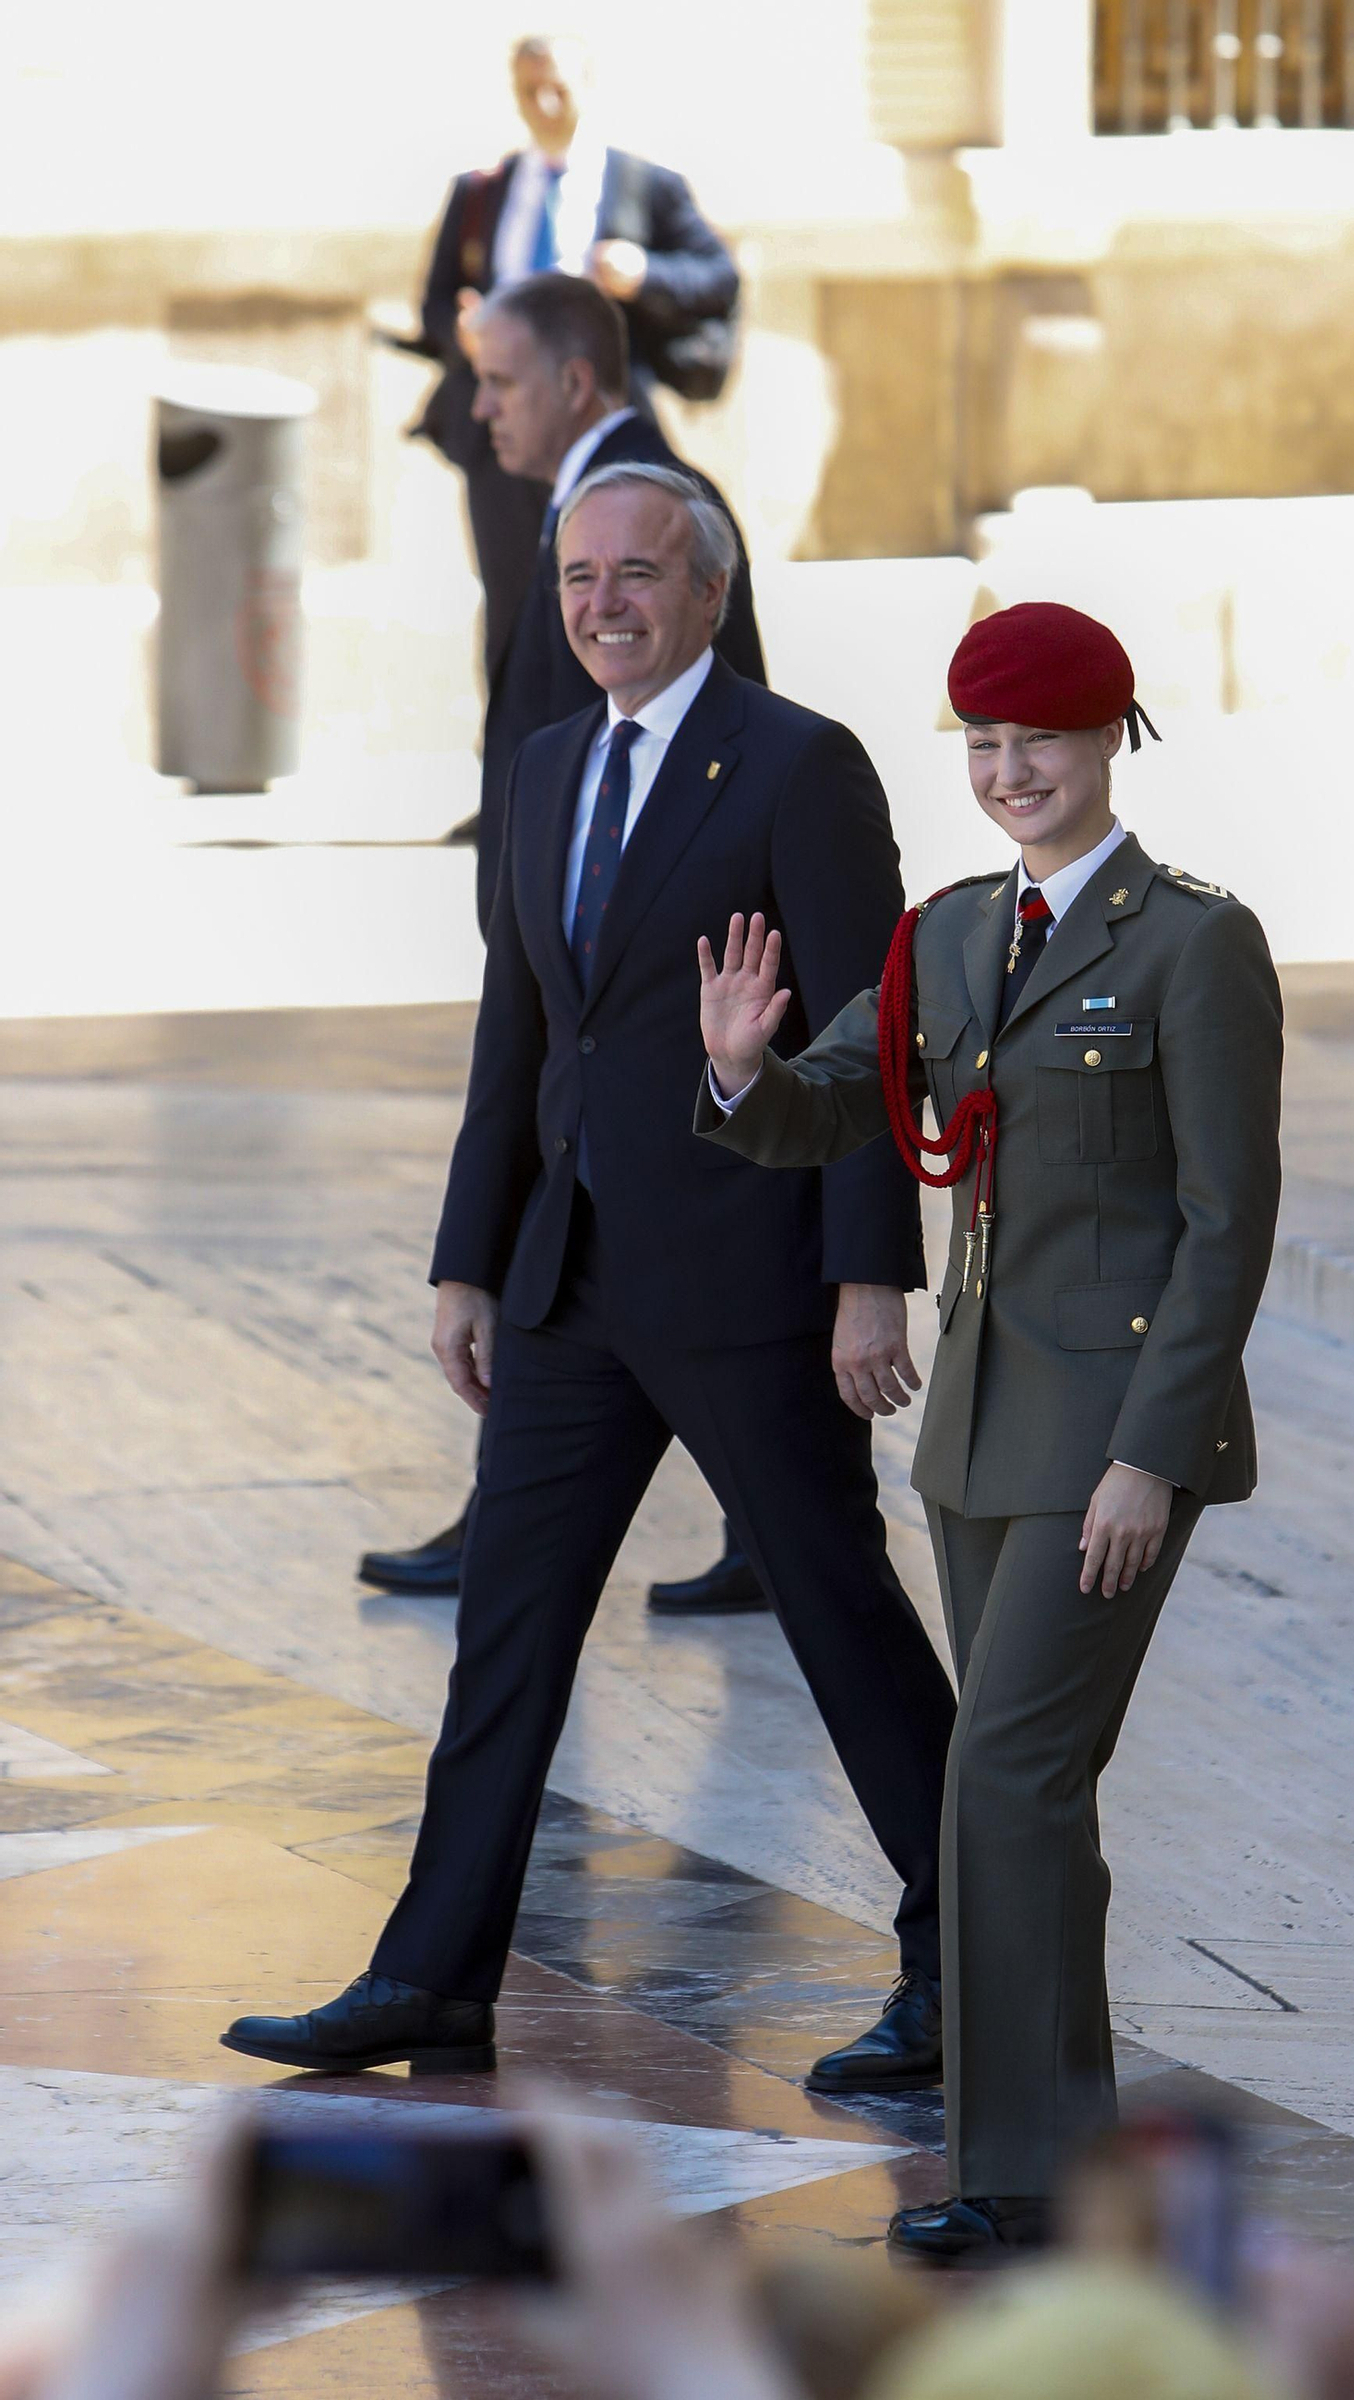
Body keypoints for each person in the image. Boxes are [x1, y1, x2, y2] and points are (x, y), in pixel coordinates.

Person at [223, 463, 957, 2078]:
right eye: (578, 578)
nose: (604, 603)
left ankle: (976, 1961)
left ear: (709, 591)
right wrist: (467, 1260)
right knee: (507, 1633)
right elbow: (522, 1036)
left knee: (839, 1617)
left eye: (639, 574)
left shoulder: (797, 765)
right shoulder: (551, 766)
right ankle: (433, 1976)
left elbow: (863, 1039)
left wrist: (867, 1278)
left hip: (753, 1286)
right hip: (570, 1285)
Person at [695, 601, 1284, 2261]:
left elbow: (1225, 1221)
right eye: (984, 742)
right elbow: (848, 1098)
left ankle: (1020, 2180)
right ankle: (1070, 2158)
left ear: (1114, 742)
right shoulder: (951, 934)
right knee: (1034, 1793)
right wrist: (745, 1073)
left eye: (1042, 739)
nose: (1011, 770)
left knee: (1006, 1773)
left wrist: (1152, 1454)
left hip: (1115, 1434)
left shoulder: (1192, 946)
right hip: (978, 1431)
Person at [357, 273, 767, 1615]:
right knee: (585, 1236)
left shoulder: (648, 504)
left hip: (634, 969)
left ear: (578, 382)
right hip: (585, 949)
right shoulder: (593, 502)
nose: (478, 412)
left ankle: (580, 1519)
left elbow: (725, 739)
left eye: (502, 383)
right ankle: (726, 1520)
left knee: (638, 1236)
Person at [409, 33, 741, 681]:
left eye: (559, 86)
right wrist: (466, 332)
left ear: (588, 85)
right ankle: (518, 766)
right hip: (504, 436)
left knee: (615, 592)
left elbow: (718, 278)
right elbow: (432, 307)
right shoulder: (482, 193)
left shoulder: (645, 186)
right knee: (514, 599)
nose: (546, 102)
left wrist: (641, 274)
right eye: (530, 90)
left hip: (602, 424)